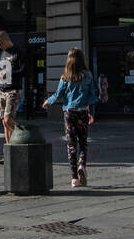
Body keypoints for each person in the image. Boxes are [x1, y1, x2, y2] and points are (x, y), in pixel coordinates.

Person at [42, 47, 98, 187]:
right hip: (83, 112)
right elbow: (92, 96)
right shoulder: (88, 75)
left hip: (69, 113)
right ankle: (81, 165)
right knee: (83, 143)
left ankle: (74, 178)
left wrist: (48, 101)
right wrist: (89, 110)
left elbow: (58, 94)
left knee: (71, 144)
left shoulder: (65, 77)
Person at [0, 30, 25, 145]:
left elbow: (23, 71)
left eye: (0, 44)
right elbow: (2, 71)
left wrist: (7, 73)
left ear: (6, 40)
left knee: (8, 119)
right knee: (4, 122)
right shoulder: (2, 54)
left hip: (13, 89)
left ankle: (24, 136)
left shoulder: (18, 52)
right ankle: (9, 150)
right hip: (2, 90)